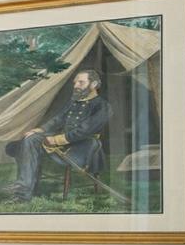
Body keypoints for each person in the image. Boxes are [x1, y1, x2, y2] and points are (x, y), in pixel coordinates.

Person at [7, 69, 109, 201]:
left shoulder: (103, 106)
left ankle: (24, 189)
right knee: (30, 139)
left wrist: (56, 139)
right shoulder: (74, 102)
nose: (76, 85)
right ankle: (23, 190)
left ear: (94, 84)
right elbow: (58, 119)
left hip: (83, 146)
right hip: (63, 141)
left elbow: (85, 131)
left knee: (31, 142)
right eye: (75, 82)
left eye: (81, 82)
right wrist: (40, 130)